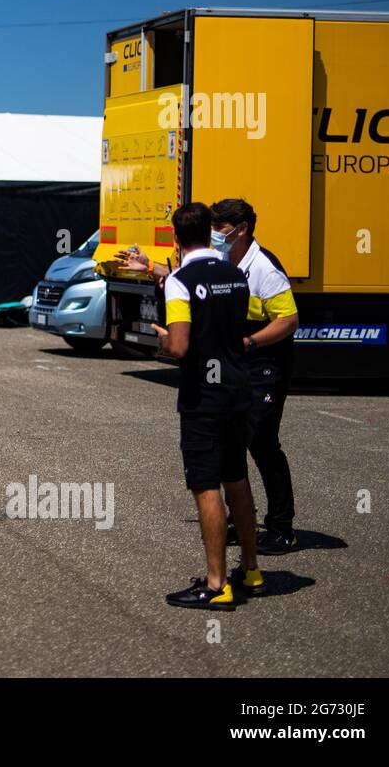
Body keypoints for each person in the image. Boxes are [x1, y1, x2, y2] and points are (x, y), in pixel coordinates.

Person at [151, 202, 262, 610]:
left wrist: (162, 337)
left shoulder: (181, 281)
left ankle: (216, 585)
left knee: (205, 485)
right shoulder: (236, 273)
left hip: (205, 395)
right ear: (210, 233)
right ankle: (250, 569)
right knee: (237, 478)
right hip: (238, 387)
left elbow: (180, 346)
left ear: (177, 238)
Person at [211, 198, 300, 554]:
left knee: (261, 442)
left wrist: (249, 342)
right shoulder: (223, 260)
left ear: (241, 229)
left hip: (266, 365)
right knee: (228, 440)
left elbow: (289, 320)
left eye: (220, 228)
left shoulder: (263, 266)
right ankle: (240, 519)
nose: (215, 235)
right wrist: (152, 269)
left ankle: (282, 528)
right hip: (237, 365)